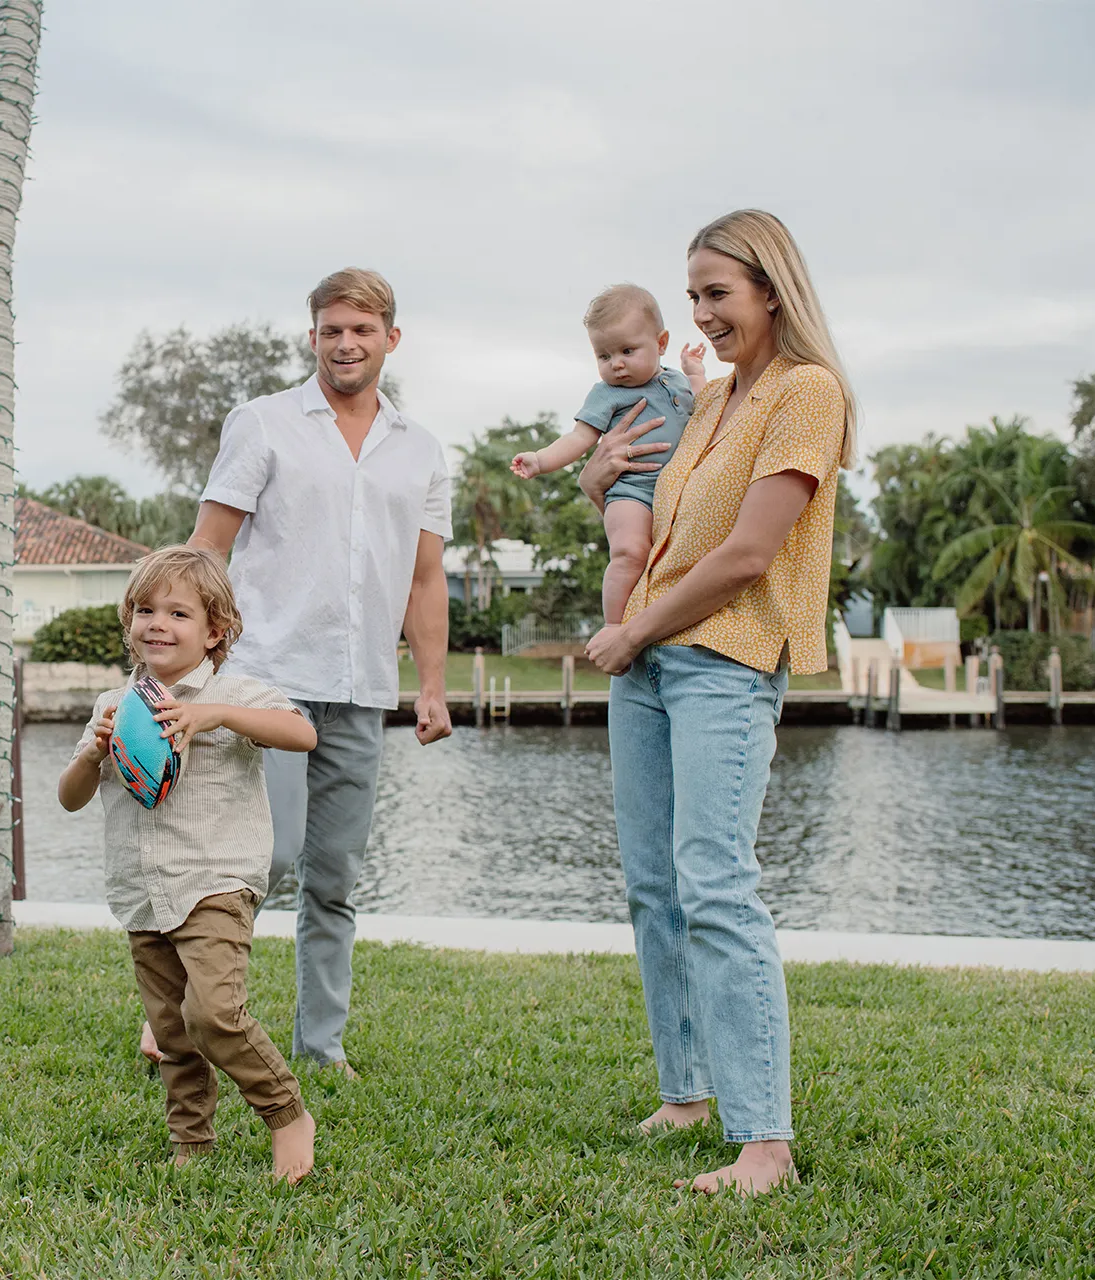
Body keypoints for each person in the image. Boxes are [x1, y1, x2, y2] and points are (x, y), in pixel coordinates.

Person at [578, 210, 856, 1196]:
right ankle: (686, 1092)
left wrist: (634, 629)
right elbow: (658, 527)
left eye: (717, 293)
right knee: (655, 883)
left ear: (771, 290)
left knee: (715, 880)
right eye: (693, 294)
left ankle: (766, 1141)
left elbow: (745, 553)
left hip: (724, 660)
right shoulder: (711, 401)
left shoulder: (806, 393)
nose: (701, 311)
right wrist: (596, 483)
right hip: (652, 658)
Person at [185, 267, 453, 1075]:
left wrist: (431, 685)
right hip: (268, 680)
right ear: (313, 338)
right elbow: (209, 546)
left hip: (363, 689)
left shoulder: (423, 451)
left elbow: (424, 578)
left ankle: (320, 1045)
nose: (346, 343)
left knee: (335, 876)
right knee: (260, 861)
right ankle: (185, 1014)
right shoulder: (264, 423)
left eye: (362, 331)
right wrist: (190, 663)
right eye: (332, 330)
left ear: (390, 340)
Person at [58, 545, 320, 1182]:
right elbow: (69, 798)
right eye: (144, 609)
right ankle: (191, 1142)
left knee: (212, 1014)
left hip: (216, 880)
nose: (157, 623)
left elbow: (303, 733)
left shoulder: (233, 693)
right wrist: (94, 754)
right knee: (172, 1029)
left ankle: (287, 1113)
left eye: (178, 612)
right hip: (143, 890)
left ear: (214, 632)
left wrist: (214, 715)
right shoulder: (111, 705)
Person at [509, 284, 708, 624]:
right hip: (632, 493)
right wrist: (541, 460)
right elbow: (579, 437)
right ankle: (616, 627)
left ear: (661, 344)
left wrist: (695, 374)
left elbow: (706, 409)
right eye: (604, 356)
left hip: (680, 493)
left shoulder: (677, 382)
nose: (616, 364)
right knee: (630, 553)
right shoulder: (606, 394)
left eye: (627, 351)